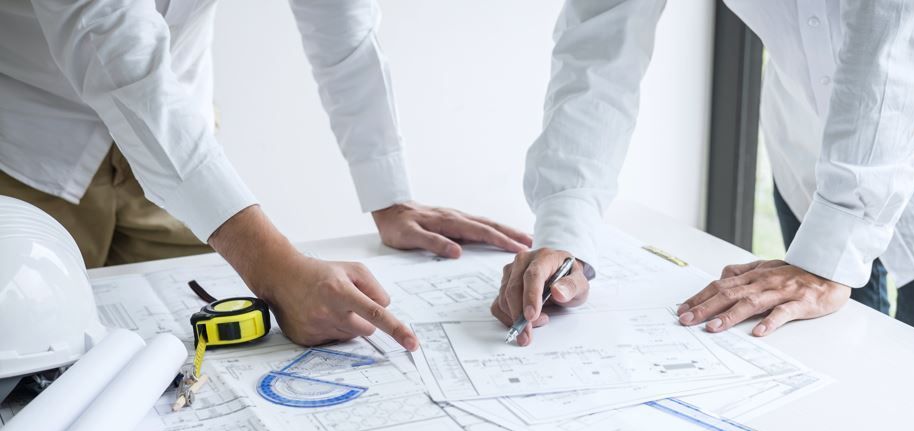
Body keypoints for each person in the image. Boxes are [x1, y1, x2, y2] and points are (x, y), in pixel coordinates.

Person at [0, 0, 531, 352]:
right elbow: (113, 48)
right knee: (28, 358)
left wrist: (388, 193)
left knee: (192, 361)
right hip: (22, 148)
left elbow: (340, 19)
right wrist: (273, 268)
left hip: (184, 150)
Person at [492, 0, 914, 345]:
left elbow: (894, 44)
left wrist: (830, 252)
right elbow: (600, 48)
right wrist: (567, 225)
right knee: (833, 363)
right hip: (808, 157)